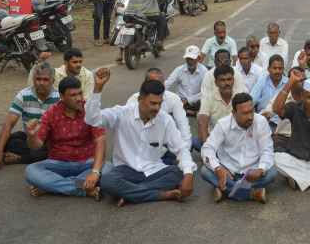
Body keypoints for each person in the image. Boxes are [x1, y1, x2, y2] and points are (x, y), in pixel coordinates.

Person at [85, 69, 195, 206]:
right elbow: (92, 120)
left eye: (160, 103)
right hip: (126, 170)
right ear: (140, 99)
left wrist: (189, 174)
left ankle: (128, 193)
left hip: (153, 169)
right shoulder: (122, 113)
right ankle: (159, 194)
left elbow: (181, 148)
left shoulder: (165, 120)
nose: (157, 108)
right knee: (108, 180)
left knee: (177, 173)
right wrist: (97, 90)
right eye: (153, 103)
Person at [24, 76, 108, 199]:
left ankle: (52, 187)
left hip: (87, 163)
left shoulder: (89, 109)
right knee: (31, 171)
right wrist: (31, 136)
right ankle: (84, 189)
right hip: (59, 164)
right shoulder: (51, 113)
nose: (79, 98)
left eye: (80, 93)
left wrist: (95, 172)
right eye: (73, 95)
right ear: (62, 97)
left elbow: (100, 139)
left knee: (108, 168)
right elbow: (37, 145)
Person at [200, 93, 275, 204]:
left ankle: (224, 189)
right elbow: (207, 149)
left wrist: (260, 169)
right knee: (205, 171)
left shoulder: (261, 122)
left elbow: (267, 150)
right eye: (245, 113)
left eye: (251, 111)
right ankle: (252, 193)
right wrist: (218, 169)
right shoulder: (223, 124)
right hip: (229, 171)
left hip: (252, 173)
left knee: (272, 172)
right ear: (234, 113)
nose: (250, 117)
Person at [0, 63, 60, 168]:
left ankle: (20, 158)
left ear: (53, 81)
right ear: (33, 80)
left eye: (45, 80)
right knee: (5, 141)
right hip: (30, 139)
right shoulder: (23, 95)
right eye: (38, 79)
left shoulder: (59, 98)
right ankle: (34, 157)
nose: (41, 83)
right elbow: (9, 124)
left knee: (55, 151)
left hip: (50, 141)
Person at [127, 68, 193, 162]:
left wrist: (185, 153)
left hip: (165, 145)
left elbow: (183, 126)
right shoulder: (133, 101)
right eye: (153, 83)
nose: (157, 86)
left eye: (160, 83)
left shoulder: (173, 99)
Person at [198, 66, 239, 149]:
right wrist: (207, 149)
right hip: (215, 140)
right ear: (216, 82)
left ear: (233, 81)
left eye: (229, 79)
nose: (227, 83)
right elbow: (202, 123)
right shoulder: (208, 98)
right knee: (194, 141)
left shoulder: (240, 96)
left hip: (237, 140)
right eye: (222, 80)